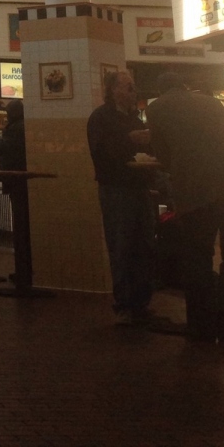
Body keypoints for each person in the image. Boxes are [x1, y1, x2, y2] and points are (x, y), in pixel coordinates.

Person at [147, 72, 224, 344]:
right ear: (185, 86)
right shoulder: (210, 102)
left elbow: (163, 154)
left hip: (195, 190)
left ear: (161, 90)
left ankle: (202, 328)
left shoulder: (157, 108)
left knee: (198, 258)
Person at [86, 69, 156, 325]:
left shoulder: (135, 119)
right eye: (128, 87)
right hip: (116, 189)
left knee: (144, 244)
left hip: (139, 187)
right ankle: (125, 304)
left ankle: (141, 301)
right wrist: (130, 140)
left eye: (133, 86)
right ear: (113, 90)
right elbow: (102, 152)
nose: (133, 92)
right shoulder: (101, 118)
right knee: (122, 245)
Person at [0, 99, 27, 171]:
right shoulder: (25, 125)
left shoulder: (14, 128)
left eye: (8, 112)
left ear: (14, 113)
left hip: (13, 169)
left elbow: (3, 149)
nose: (7, 116)